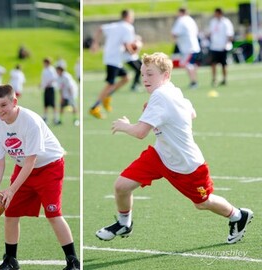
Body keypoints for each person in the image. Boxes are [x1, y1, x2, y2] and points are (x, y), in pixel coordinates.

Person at [96, 52, 253, 245]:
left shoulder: (161, 95)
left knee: (203, 203)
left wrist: (124, 125)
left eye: (150, 74)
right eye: (143, 74)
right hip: (161, 155)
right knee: (122, 186)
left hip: (186, 164)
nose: (145, 78)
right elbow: (192, 113)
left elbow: (140, 133)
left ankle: (238, 215)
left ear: (166, 75)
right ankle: (124, 224)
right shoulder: (171, 90)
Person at [0, 85, 79, 270]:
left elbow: (31, 161)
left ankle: (73, 261)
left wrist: (11, 190)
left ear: (14, 102)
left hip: (49, 167)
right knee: (10, 212)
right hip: (23, 167)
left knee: (53, 213)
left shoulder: (29, 121)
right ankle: (11, 260)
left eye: (3, 105)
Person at [89, 9, 136, 119]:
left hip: (112, 57)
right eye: (132, 16)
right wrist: (134, 51)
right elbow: (126, 45)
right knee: (110, 84)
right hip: (113, 59)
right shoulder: (128, 28)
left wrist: (95, 43)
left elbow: (100, 29)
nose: (133, 18)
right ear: (128, 17)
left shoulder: (114, 25)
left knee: (126, 77)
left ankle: (107, 97)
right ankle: (94, 107)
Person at [172, 8, 201, 89]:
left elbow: (174, 33)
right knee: (192, 64)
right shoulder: (191, 20)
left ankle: (193, 82)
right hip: (194, 46)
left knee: (187, 64)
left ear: (181, 12)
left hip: (187, 48)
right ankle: (194, 81)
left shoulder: (181, 20)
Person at [205, 8, 234, 87]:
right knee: (213, 64)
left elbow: (229, 34)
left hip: (223, 47)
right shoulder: (213, 22)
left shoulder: (226, 22)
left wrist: (227, 44)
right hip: (214, 46)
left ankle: (224, 79)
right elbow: (210, 32)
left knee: (223, 64)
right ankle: (214, 79)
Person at [40, 57, 58, 124]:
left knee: (53, 104)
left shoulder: (51, 69)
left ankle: (55, 117)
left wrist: (48, 83)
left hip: (50, 88)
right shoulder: (44, 70)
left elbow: (54, 78)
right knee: (46, 104)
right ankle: (45, 117)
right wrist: (42, 84)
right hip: (46, 88)